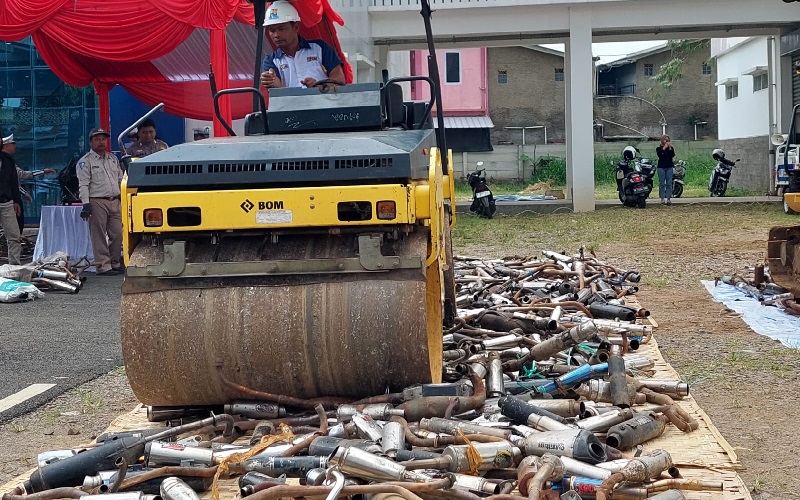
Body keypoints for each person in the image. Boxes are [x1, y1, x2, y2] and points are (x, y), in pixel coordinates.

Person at [259, 1, 345, 90]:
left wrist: (320, 87)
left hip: (324, 103)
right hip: (291, 104)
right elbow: (278, 97)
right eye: (272, 30)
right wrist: (277, 86)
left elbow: (339, 80)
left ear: (296, 27)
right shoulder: (270, 61)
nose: (276, 35)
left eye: (282, 29)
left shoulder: (320, 48)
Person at [77, 128, 124, 276]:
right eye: (97, 139)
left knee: (118, 233)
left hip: (115, 200)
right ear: (91, 142)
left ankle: (115, 262)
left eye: (103, 139)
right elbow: (83, 184)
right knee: (99, 235)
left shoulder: (113, 158)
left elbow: (120, 179)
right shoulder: (85, 162)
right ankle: (103, 266)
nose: (101, 142)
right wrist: (86, 204)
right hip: (97, 201)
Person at [0, 134, 23, 265]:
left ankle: (14, 267)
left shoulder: (8, 160)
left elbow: (14, 182)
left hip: (6, 202)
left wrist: (17, 200)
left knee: (14, 236)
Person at [656, 134, 675, 205]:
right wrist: (664, 148)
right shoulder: (658, 148)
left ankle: (669, 198)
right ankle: (662, 198)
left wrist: (669, 148)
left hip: (669, 167)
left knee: (669, 183)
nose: (666, 141)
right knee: (662, 183)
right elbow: (660, 155)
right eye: (665, 140)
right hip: (661, 167)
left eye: (668, 140)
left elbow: (672, 155)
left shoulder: (671, 148)